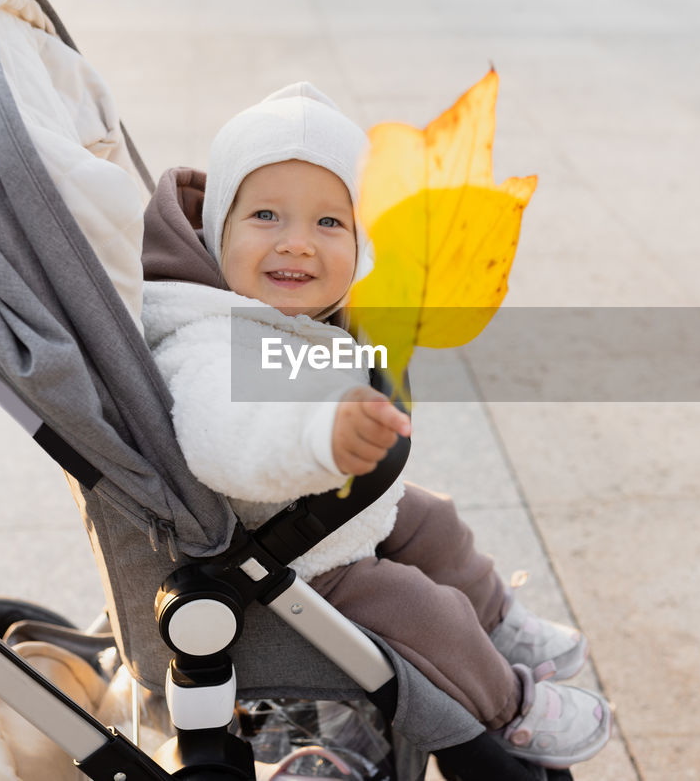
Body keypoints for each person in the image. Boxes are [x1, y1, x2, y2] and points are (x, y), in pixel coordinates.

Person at [141, 82, 611, 768]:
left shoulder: (277, 314)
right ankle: (510, 706)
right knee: (421, 610)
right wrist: (319, 437)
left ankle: (501, 624)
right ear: (218, 229)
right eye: (267, 216)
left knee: (432, 521)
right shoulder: (203, 340)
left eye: (330, 223)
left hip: (311, 511)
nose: (297, 244)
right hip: (278, 552)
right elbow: (226, 431)